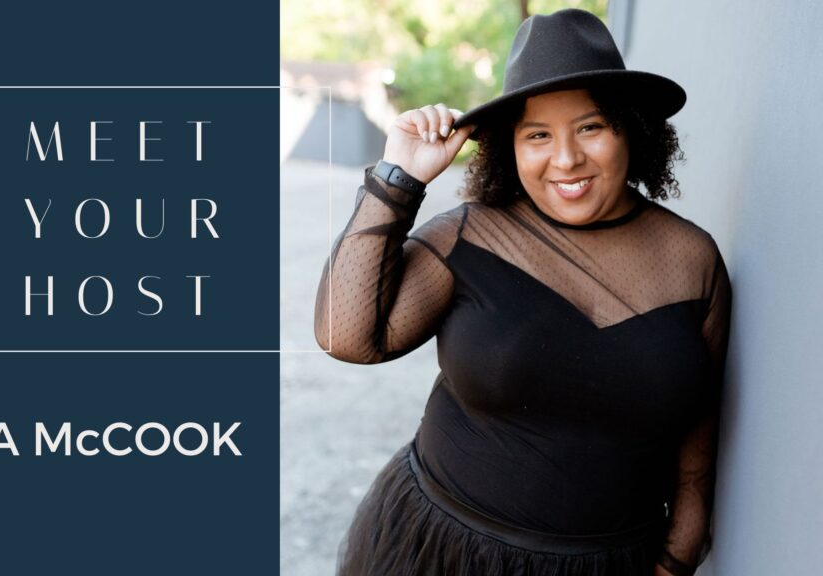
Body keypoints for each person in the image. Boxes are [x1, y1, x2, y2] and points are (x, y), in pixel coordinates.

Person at [313, 8, 731, 576]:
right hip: (446, 553)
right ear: (511, 149)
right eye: (537, 135)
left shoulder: (694, 259)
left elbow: (696, 438)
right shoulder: (469, 235)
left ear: (630, 129)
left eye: (591, 127)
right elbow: (347, 336)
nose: (565, 159)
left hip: (611, 565)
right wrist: (398, 178)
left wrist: (678, 555)